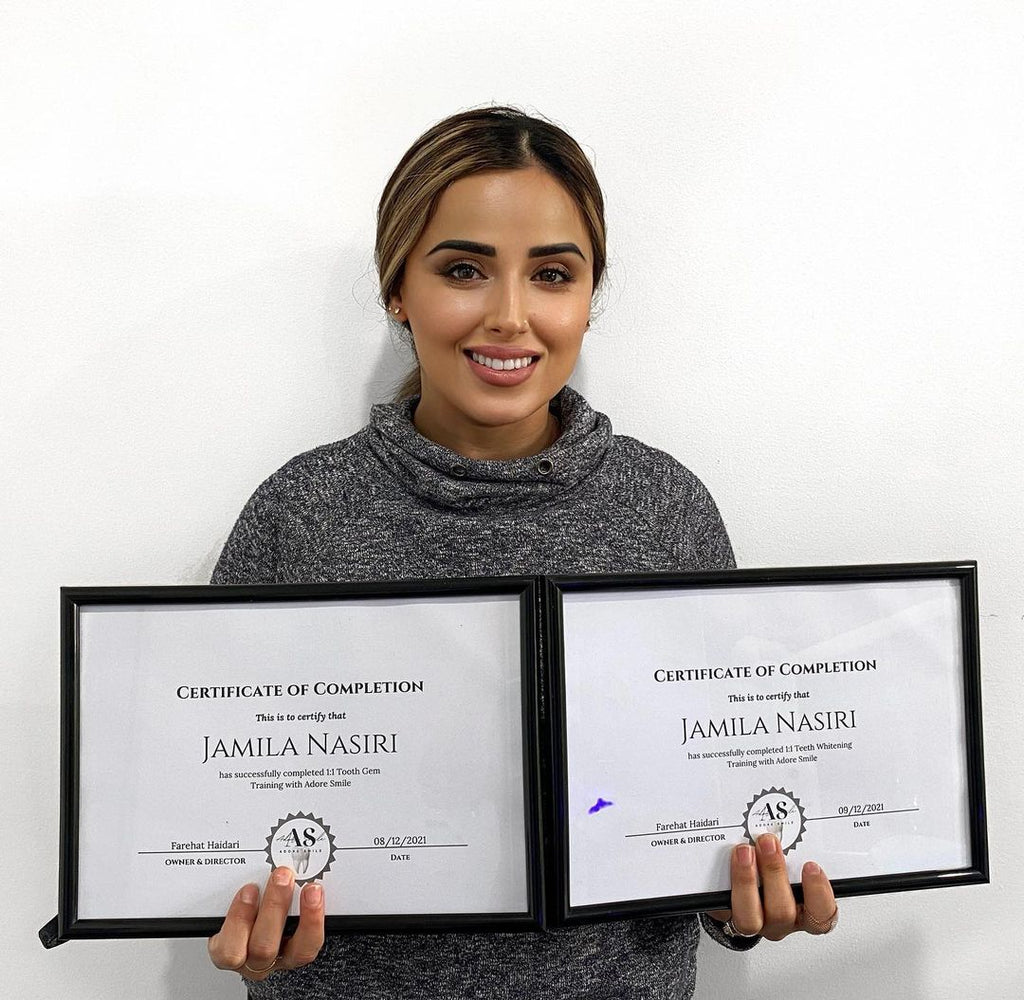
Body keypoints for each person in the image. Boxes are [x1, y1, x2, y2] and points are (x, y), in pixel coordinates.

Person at [206, 106, 838, 999]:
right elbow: (220, 808)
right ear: (398, 292)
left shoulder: (666, 511)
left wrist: (744, 900)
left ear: (588, 296)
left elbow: (714, 805)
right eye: (463, 269)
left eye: (551, 274)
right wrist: (227, 907)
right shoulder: (300, 515)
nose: (510, 317)